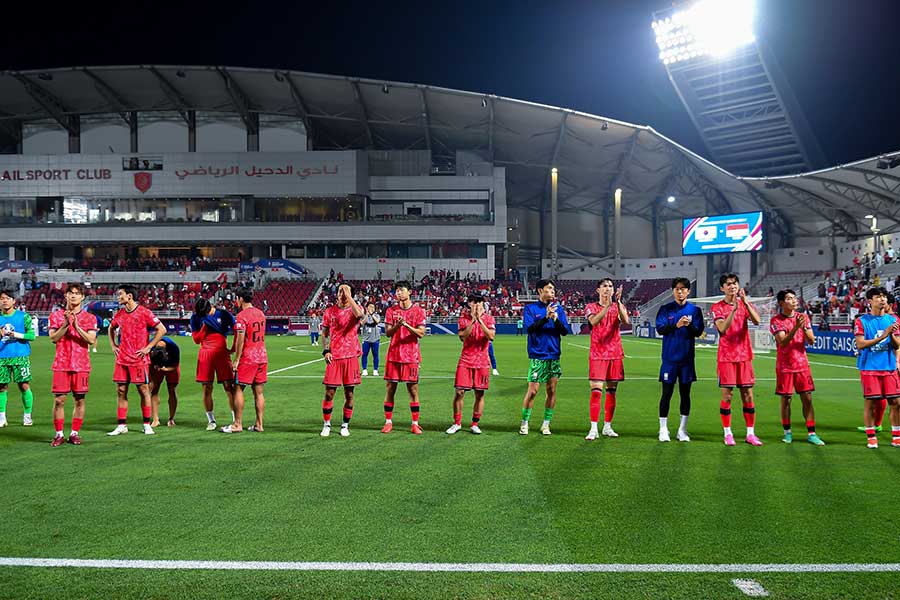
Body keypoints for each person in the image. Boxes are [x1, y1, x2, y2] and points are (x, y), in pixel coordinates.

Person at [107, 285, 167, 436]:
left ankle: (147, 424)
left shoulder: (144, 312)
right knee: (121, 391)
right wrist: (113, 344)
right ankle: (122, 425)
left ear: (129, 296)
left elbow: (162, 329)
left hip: (138, 359)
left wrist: (149, 347)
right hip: (122, 359)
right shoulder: (120, 314)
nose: (118, 297)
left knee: (143, 390)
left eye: (120, 294)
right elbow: (111, 328)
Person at [711, 274, 762, 446]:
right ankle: (728, 433)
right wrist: (733, 310)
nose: (732, 286)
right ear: (722, 288)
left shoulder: (744, 304)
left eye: (734, 283)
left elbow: (757, 321)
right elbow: (722, 329)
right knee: (728, 395)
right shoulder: (717, 307)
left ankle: (750, 434)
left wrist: (745, 303)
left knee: (747, 395)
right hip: (726, 357)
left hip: (744, 356)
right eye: (728, 284)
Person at [770, 289, 824, 445]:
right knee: (786, 399)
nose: (793, 301)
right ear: (781, 303)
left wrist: (803, 328)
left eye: (794, 298)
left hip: (802, 365)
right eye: (789, 298)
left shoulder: (804, 317)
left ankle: (812, 433)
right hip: (785, 366)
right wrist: (795, 327)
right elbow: (783, 342)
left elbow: (812, 340)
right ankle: (787, 432)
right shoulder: (776, 320)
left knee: (807, 398)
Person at [654, 277, 704, 443]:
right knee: (666, 393)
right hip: (669, 359)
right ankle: (663, 429)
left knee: (685, 395)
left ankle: (682, 430)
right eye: (677, 288)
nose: (680, 291)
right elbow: (660, 329)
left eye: (683, 289)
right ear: (673, 291)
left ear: (688, 291)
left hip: (687, 360)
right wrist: (677, 325)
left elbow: (698, 332)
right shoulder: (665, 309)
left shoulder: (695, 311)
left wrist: (688, 325)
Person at [47, 283, 97, 446]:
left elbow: (90, 340)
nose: (74, 296)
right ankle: (59, 434)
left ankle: (74, 433)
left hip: (81, 364)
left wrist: (76, 326)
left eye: (77, 293)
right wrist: (66, 324)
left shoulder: (90, 318)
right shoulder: (55, 316)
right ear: (66, 296)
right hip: (61, 363)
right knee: (59, 400)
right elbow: (53, 338)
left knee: (79, 400)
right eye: (71, 293)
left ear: (82, 297)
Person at [519, 279, 570, 436]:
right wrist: (545, 318)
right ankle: (524, 423)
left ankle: (546, 424)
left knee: (551, 390)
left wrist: (555, 319)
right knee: (533, 391)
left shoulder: (558, 309)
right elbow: (530, 328)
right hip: (538, 355)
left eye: (553, 289)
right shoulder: (530, 308)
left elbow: (565, 331)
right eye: (549, 288)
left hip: (554, 355)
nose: (552, 291)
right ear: (540, 290)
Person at [854, 286, 900, 449]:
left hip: (889, 367)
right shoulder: (862, 321)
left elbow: (897, 345)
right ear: (869, 301)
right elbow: (860, 344)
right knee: (871, 403)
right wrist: (883, 335)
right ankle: (871, 437)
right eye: (878, 297)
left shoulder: (894, 320)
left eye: (884, 296)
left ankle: (896, 435)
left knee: (895, 402)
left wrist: (892, 334)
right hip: (869, 368)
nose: (882, 299)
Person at [584, 279, 630, 441]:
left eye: (610, 286)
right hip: (597, 354)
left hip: (615, 354)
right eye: (604, 286)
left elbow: (626, 321)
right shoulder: (591, 307)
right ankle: (593, 428)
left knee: (611, 392)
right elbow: (594, 321)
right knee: (596, 392)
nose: (608, 289)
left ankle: (608, 426)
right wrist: (608, 306)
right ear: (598, 290)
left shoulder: (618, 306)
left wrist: (617, 303)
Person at [381, 281, 426, 434]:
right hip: (394, 355)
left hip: (411, 356)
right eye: (397, 291)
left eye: (402, 290)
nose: (399, 293)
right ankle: (388, 422)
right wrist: (398, 325)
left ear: (410, 292)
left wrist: (406, 325)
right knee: (390, 388)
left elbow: (421, 333)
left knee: (413, 389)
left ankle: (415, 423)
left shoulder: (418, 311)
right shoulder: (391, 311)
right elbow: (387, 333)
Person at [447, 294, 495, 435]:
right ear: (469, 304)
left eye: (479, 303)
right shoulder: (463, 319)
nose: (477, 305)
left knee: (479, 394)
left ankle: (475, 424)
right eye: (474, 303)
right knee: (459, 392)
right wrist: (473, 321)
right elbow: (462, 337)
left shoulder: (489, 318)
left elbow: (491, 336)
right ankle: (457, 423)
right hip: (466, 360)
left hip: (482, 361)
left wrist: (480, 321)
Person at [320, 283, 364, 438]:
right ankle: (326, 424)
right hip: (335, 357)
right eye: (340, 291)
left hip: (351, 356)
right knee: (329, 393)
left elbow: (359, 315)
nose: (343, 293)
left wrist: (349, 297)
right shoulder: (329, 312)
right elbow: (324, 333)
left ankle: (345, 425)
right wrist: (326, 350)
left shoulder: (355, 309)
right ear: (336, 293)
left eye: (346, 291)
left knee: (349, 394)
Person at [223, 291, 267, 433]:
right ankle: (259, 424)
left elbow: (241, 338)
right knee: (258, 392)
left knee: (238, 389)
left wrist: (236, 358)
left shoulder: (241, 316)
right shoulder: (261, 313)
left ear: (240, 299)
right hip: (262, 356)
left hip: (248, 358)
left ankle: (237, 424)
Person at [190, 298, 236, 431]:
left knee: (229, 387)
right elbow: (196, 340)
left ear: (210, 308)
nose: (201, 315)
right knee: (207, 388)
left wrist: (233, 348)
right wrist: (204, 327)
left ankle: (235, 419)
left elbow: (238, 330)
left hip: (222, 354)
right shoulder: (195, 317)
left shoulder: (224, 314)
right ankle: (211, 420)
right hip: (205, 354)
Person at [0, 290, 35, 428]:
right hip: (2, 358)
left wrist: (16, 334)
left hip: (20, 357)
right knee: (1, 387)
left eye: (7, 298)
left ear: (13, 301)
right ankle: (2, 418)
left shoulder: (23, 316)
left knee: (24, 386)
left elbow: (31, 336)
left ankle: (27, 416)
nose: (4, 301)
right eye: (2, 298)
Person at [149, 336, 180, 428]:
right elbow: (148, 364)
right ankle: (155, 419)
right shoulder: (150, 346)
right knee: (154, 389)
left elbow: (175, 365)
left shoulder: (174, 348)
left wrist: (166, 369)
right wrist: (153, 379)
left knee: (172, 389)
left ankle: (171, 418)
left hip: (171, 366)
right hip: (154, 367)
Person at [361, 303, 381, 377]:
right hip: (366, 339)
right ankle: (364, 370)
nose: (371, 308)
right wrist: (367, 314)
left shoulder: (376, 315)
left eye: (373, 307)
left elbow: (377, 322)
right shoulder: (363, 316)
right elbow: (362, 323)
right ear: (367, 308)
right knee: (364, 355)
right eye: (370, 307)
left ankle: (375, 370)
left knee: (375, 355)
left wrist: (372, 314)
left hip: (375, 339)